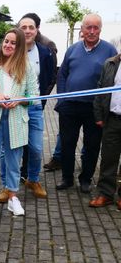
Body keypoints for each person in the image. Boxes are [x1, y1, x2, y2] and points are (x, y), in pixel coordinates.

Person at [0, 28, 39, 219]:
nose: (8, 45)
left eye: (13, 43)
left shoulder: (27, 67)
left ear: (20, 46)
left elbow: (35, 96)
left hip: (16, 119)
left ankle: (13, 197)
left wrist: (21, 99)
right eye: (6, 41)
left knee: (14, 161)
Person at [55, 14, 117, 193]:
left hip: (94, 108)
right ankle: (67, 178)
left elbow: (112, 78)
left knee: (92, 145)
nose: (91, 31)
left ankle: (86, 179)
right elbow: (63, 75)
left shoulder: (109, 50)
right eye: (88, 27)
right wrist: (62, 98)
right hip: (70, 106)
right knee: (67, 143)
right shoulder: (72, 49)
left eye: (95, 27)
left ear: (100, 29)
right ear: (81, 29)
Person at [0, 16, 55, 201]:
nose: (28, 30)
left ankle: (33, 179)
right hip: (10, 108)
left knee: (36, 148)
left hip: (34, 108)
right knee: (8, 148)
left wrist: (40, 101)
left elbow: (50, 78)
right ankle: (7, 185)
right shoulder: (8, 50)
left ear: (37, 30)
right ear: (18, 30)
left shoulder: (45, 52)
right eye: (24, 27)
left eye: (31, 27)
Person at [89, 52, 121, 209]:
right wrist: (99, 114)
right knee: (108, 157)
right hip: (113, 119)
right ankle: (106, 194)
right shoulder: (110, 63)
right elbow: (100, 89)